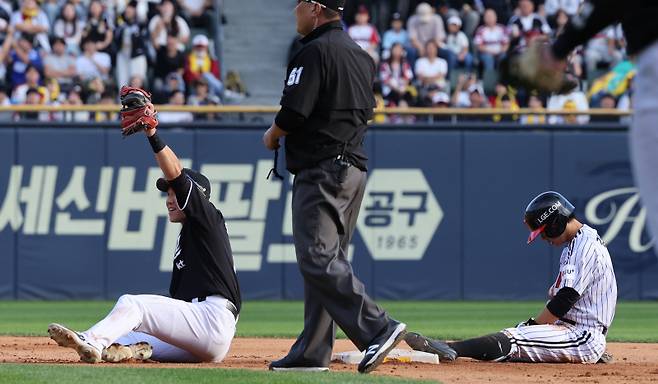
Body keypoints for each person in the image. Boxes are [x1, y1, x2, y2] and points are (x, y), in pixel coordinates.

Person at [262, 0, 407, 374]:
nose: (294, 10)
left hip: (323, 169)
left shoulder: (312, 52)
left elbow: (294, 112)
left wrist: (273, 134)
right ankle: (312, 351)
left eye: (299, 4)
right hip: (353, 168)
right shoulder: (361, 55)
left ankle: (379, 328)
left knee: (317, 257)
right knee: (326, 261)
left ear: (314, 8)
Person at [48, 87, 241, 363]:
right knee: (128, 332)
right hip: (205, 338)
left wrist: (152, 133)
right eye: (168, 194)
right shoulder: (192, 237)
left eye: (174, 193)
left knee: (132, 304)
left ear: (195, 197)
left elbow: (175, 174)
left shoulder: (207, 217)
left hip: (211, 318)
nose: (170, 199)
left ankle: (91, 339)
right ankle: (124, 349)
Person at [406, 191, 617, 364]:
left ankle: (450, 348)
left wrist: (535, 327)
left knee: (515, 338)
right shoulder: (580, 241)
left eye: (543, 231)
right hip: (574, 330)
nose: (543, 238)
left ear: (554, 222)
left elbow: (565, 299)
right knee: (520, 332)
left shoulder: (584, 246)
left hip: (580, 335)